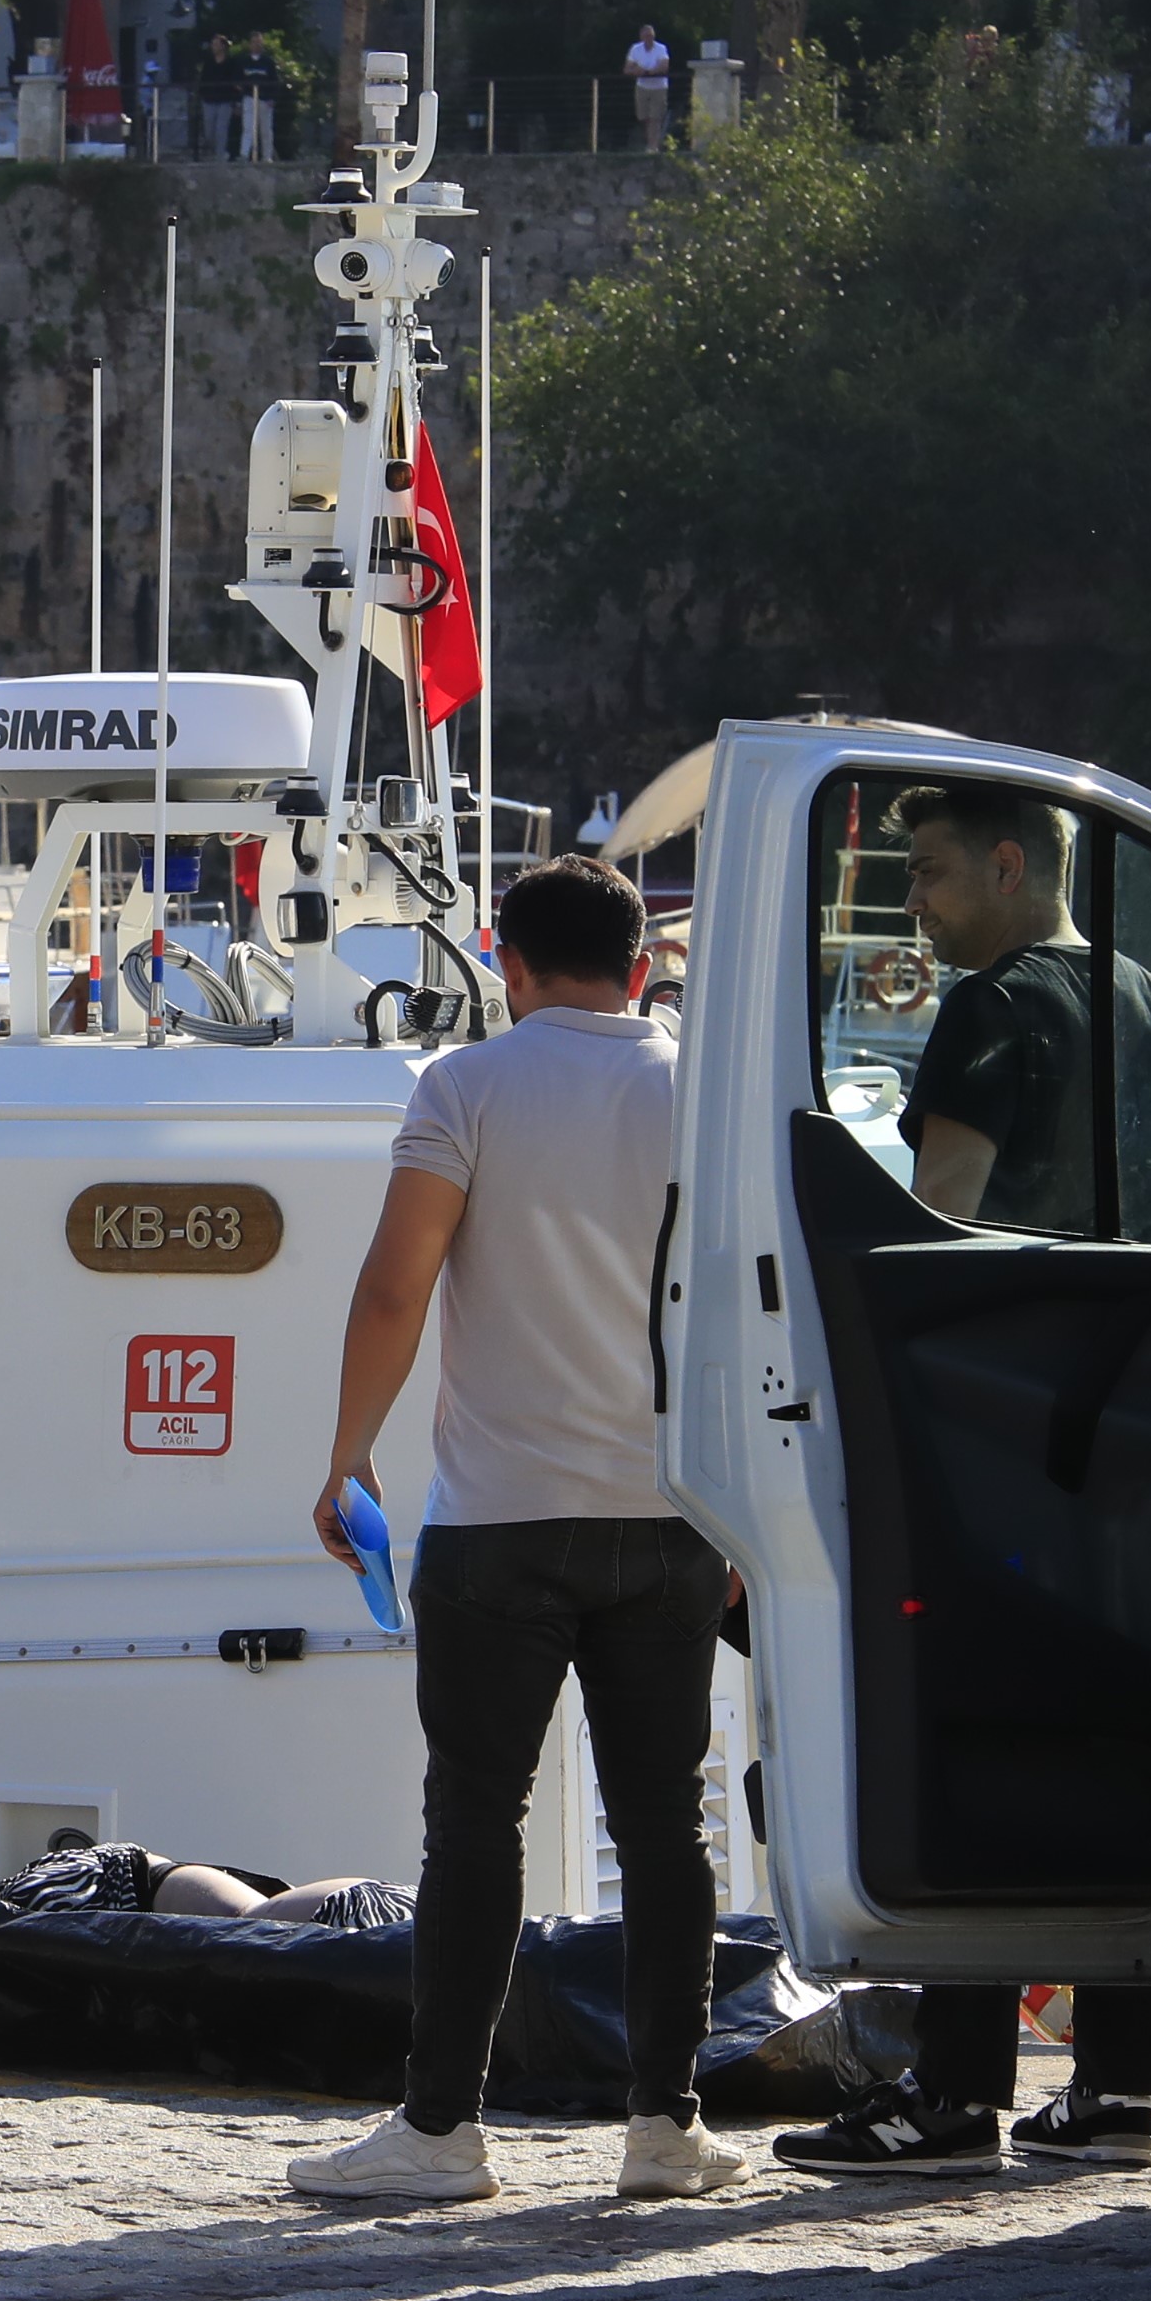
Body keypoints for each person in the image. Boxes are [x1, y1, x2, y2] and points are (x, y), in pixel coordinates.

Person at [283, 856, 747, 2206]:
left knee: (474, 1824)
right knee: (667, 1826)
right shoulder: (701, 1094)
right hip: (669, 1515)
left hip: (496, 1522)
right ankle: (666, 2127)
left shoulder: (465, 1086)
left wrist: (346, 1456)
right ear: (641, 966)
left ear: (506, 958)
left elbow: (393, 1287)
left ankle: (442, 2134)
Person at [773, 780, 1151, 2179]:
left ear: (1015, 865)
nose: (918, 903)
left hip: (997, 1427)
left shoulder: (995, 1008)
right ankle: (1115, 2094)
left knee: (966, 1744)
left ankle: (953, 2092)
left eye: (938, 872)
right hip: (1138, 1432)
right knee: (1123, 1738)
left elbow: (936, 1229)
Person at [625, 23, 675, 149]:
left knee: (655, 117)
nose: (649, 38)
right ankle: (650, 141)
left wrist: (652, 71)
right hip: (642, 87)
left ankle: (652, 146)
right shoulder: (635, 49)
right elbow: (627, 69)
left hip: (659, 87)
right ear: (641, 37)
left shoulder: (661, 48)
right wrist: (637, 71)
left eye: (651, 36)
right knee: (643, 117)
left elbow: (664, 65)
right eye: (646, 36)